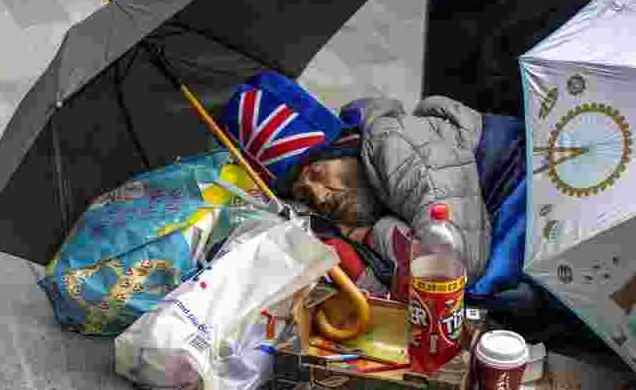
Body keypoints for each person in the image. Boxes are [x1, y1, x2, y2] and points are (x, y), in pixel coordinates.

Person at [218, 71, 527, 302]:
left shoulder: (393, 142)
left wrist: (371, 234)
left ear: (346, 145)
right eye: (303, 194)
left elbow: (450, 270)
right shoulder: (366, 188)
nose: (319, 196)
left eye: (316, 173)